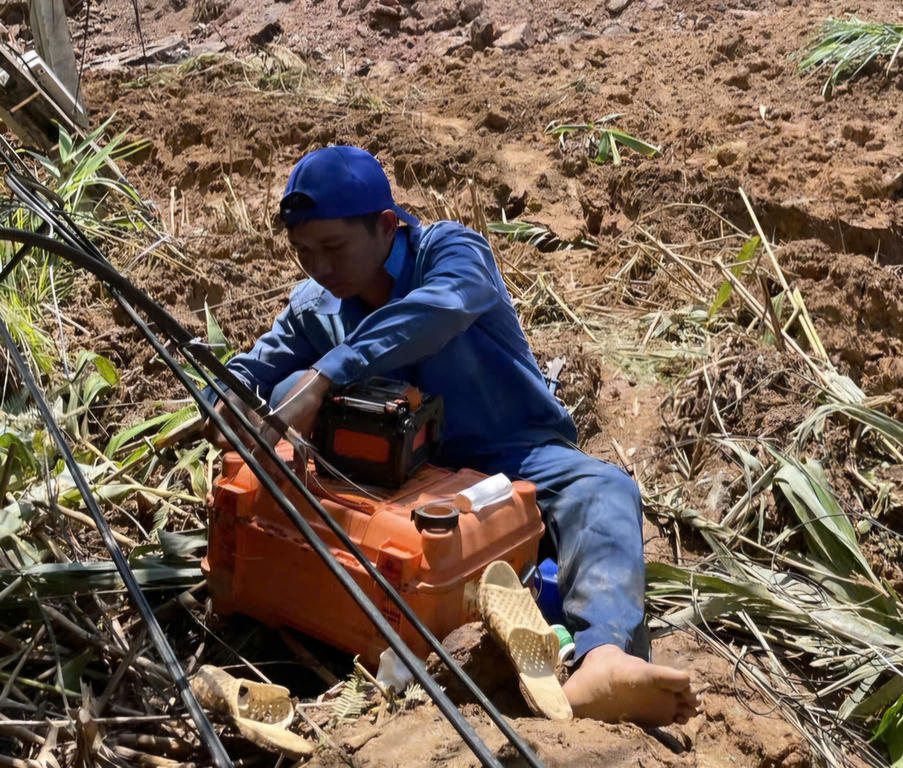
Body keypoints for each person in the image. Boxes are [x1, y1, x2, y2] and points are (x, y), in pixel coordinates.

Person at [204, 145, 697, 727]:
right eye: (304, 252)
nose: (320, 268)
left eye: (334, 248)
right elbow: (250, 369)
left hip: (512, 456)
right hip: (398, 483)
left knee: (604, 490)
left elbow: (436, 310)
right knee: (287, 389)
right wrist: (224, 399)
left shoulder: (452, 252)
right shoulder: (318, 304)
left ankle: (604, 660)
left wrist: (326, 375)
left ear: (387, 225)